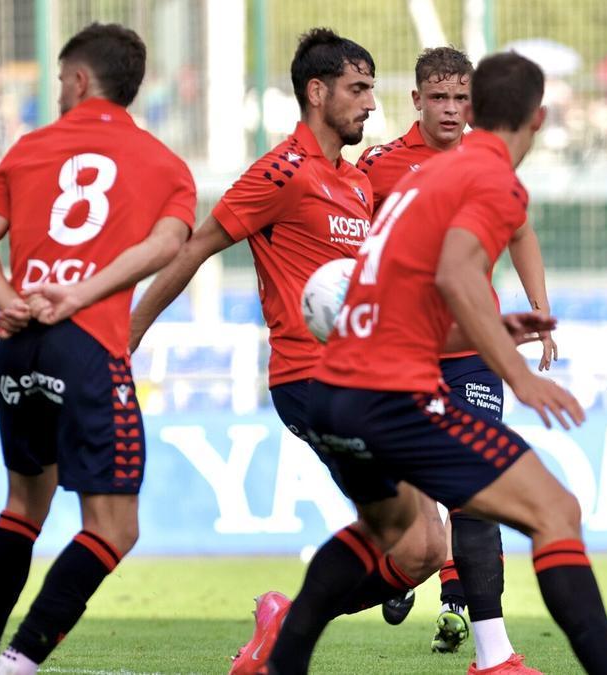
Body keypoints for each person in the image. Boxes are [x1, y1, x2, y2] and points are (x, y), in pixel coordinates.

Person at [268, 52, 607, 675]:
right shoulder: (488, 177)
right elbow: (452, 272)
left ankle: (281, 658)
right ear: (539, 118)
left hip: (334, 384)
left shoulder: (416, 178)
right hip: (392, 392)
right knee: (555, 512)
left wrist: (491, 328)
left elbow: (397, 299)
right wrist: (517, 374)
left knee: (387, 531)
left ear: (473, 108)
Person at [125, 28, 447, 674]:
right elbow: (196, 246)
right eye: (358, 90)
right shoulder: (283, 172)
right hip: (313, 379)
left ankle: (282, 622)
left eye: (372, 91)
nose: (370, 105)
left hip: (369, 379)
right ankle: (286, 639)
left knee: (423, 549)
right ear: (316, 91)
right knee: (406, 534)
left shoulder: (355, 184)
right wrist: (125, 339)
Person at [0, 23, 197, 675]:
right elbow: (167, 245)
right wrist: (82, 292)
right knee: (114, 527)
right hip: (85, 344)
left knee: (23, 505)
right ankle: (17, 662)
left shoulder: (30, 148)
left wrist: (8, 298)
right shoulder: (164, 165)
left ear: (80, 80)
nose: (59, 92)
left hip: (19, 346)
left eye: (61, 81)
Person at [356, 46, 557, 669]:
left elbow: (520, 233)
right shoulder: (378, 167)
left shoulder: (489, 164)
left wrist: (541, 313)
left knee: (475, 489)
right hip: (403, 352)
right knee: (411, 502)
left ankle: (492, 651)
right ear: (416, 99)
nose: (450, 109)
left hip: (471, 350)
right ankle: (411, 572)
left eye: (460, 99)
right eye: (437, 98)